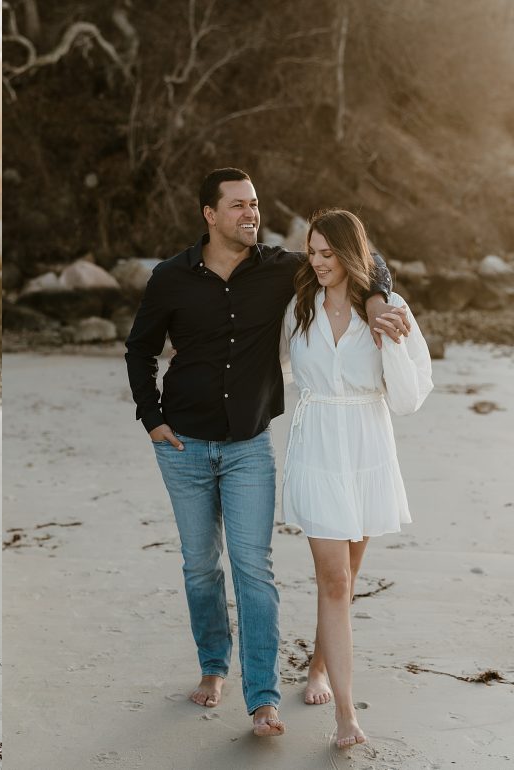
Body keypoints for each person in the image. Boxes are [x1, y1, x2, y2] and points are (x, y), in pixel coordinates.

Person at [124, 168, 409, 737]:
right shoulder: (170, 278)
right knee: (201, 566)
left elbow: (359, 259)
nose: (250, 214)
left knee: (254, 571)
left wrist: (377, 299)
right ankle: (212, 667)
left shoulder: (283, 270)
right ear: (209, 214)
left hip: (249, 446)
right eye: (238, 206)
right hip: (181, 446)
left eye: (254, 204)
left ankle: (263, 700)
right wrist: (151, 419)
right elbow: (141, 350)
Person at [281, 208, 432, 747]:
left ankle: (319, 666)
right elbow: (268, 367)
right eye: (312, 253)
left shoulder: (387, 309)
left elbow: (411, 397)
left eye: (327, 254)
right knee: (335, 580)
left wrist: (392, 331)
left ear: (350, 255)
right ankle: (346, 717)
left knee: (347, 575)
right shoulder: (299, 307)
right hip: (318, 447)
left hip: (369, 449)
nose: (317, 263)